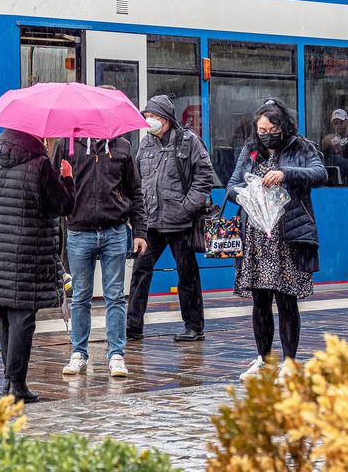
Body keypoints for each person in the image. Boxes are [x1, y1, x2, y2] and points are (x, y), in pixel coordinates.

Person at [0, 128, 75, 403]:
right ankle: (17, 384)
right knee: (23, 319)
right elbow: (62, 205)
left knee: (5, 318)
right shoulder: (40, 164)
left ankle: (9, 382)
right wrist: (68, 179)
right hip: (27, 252)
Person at [228, 100, 327, 379]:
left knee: (286, 299)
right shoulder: (249, 150)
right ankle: (263, 358)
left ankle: (290, 361)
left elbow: (320, 174)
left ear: (283, 127)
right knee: (260, 300)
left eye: (272, 128)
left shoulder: (301, 147)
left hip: (288, 235)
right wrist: (247, 194)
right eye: (261, 129)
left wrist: (286, 174)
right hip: (257, 236)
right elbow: (232, 185)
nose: (266, 133)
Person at [52, 131, 147, 378]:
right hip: (79, 230)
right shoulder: (67, 144)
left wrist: (140, 231)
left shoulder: (122, 147)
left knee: (115, 295)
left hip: (114, 229)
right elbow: (50, 185)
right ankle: (78, 353)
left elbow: (135, 191)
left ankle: (116, 354)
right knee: (81, 295)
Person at [127, 95, 215, 343]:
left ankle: (194, 326)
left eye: (153, 117)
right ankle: (133, 327)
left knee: (187, 273)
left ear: (166, 120)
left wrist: (187, 207)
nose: (148, 121)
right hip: (151, 221)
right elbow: (136, 179)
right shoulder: (145, 144)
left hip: (181, 222)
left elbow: (205, 177)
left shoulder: (188, 141)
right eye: (147, 116)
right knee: (140, 272)